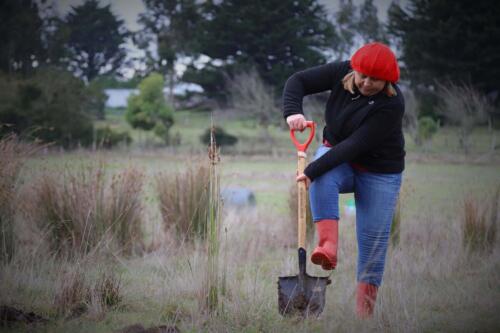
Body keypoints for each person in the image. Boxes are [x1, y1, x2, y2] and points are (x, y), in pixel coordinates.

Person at [282, 42, 405, 318]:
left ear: (388, 80)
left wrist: (311, 169)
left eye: (375, 79)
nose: (366, 82)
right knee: (324, 174)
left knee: (373, 242)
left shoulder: (392, 104)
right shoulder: (342, 71)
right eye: (362, 75)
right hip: (337, 153)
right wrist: (293, 111)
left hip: (380, 172)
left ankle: (364, 315)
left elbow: (355, 145)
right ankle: (328, 247)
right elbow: (297, 80)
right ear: (354, 69)